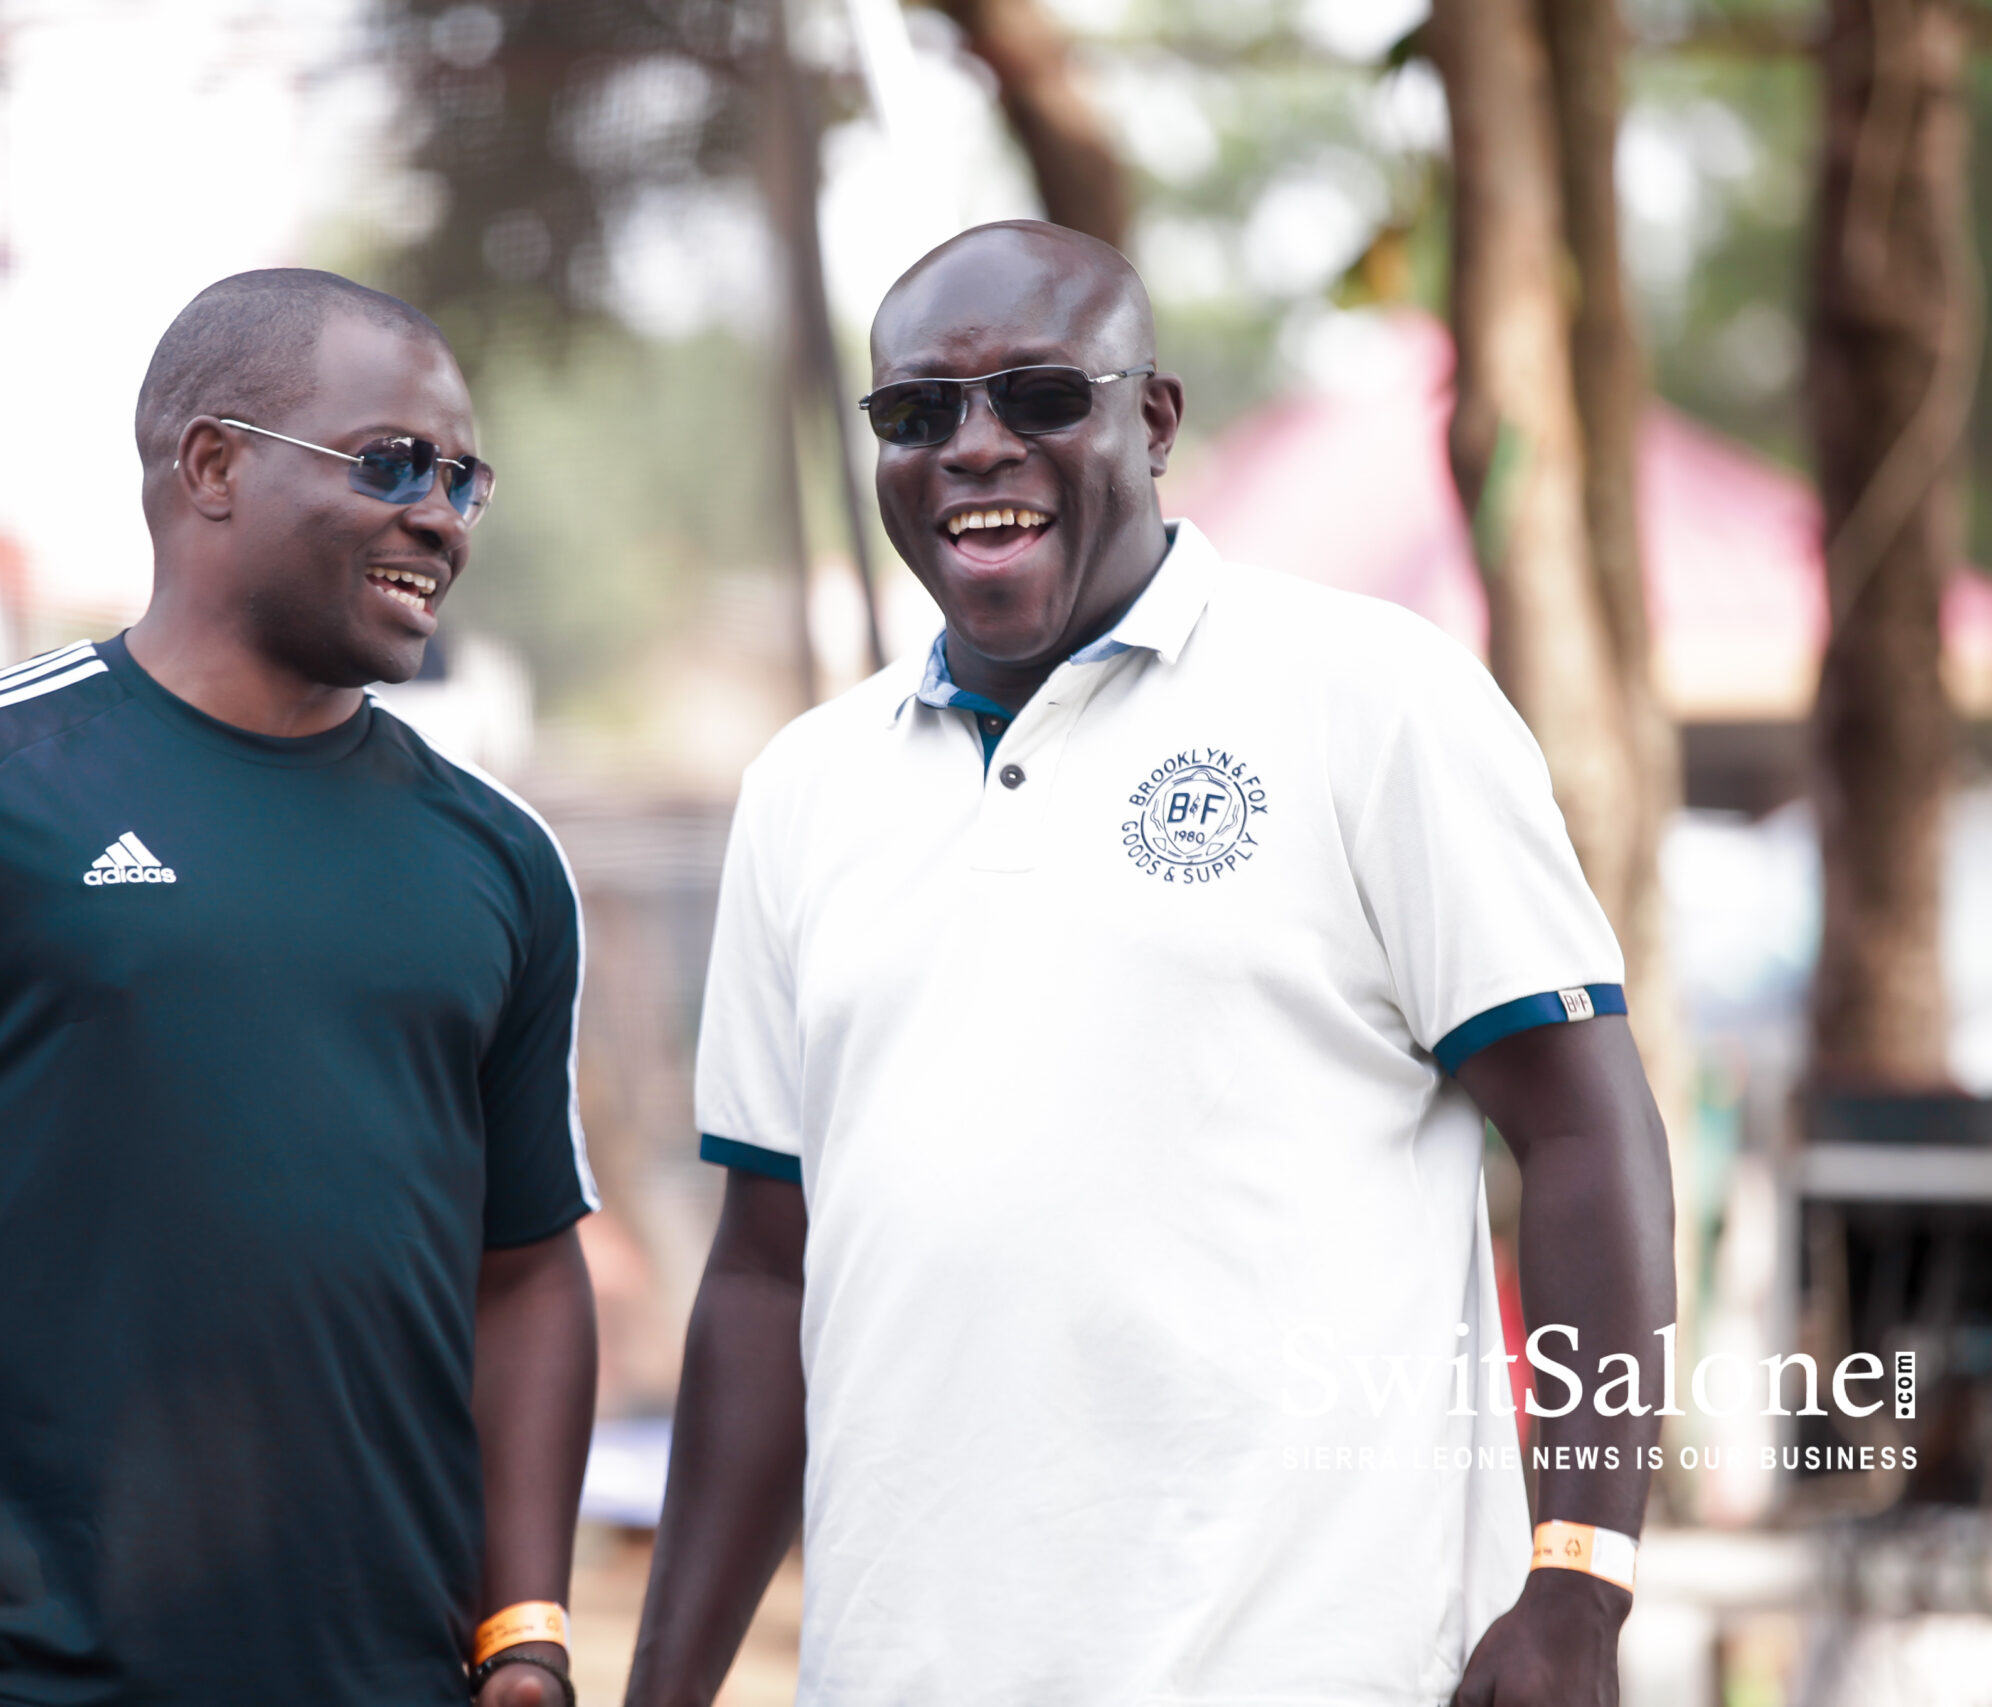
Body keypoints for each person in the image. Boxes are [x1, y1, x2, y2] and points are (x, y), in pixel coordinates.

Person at [624, 222, 1677, 1707]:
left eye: (1041, 396)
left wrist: (1578, 1579)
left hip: (1310, 1667)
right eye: (917, 413)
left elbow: (1584, 1129)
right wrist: (663, 1686)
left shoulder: (1372, 696)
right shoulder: (804, 787)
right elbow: (761, 1273)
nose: (973, 446)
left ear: (1156, 419)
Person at [0, 270, 600, 1707]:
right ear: (214, 465)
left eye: (461, 478)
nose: (440, 515)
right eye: (391, 462)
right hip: (0, 1679)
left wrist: (525, 1628)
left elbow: (528, 1267)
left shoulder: (500, 858)